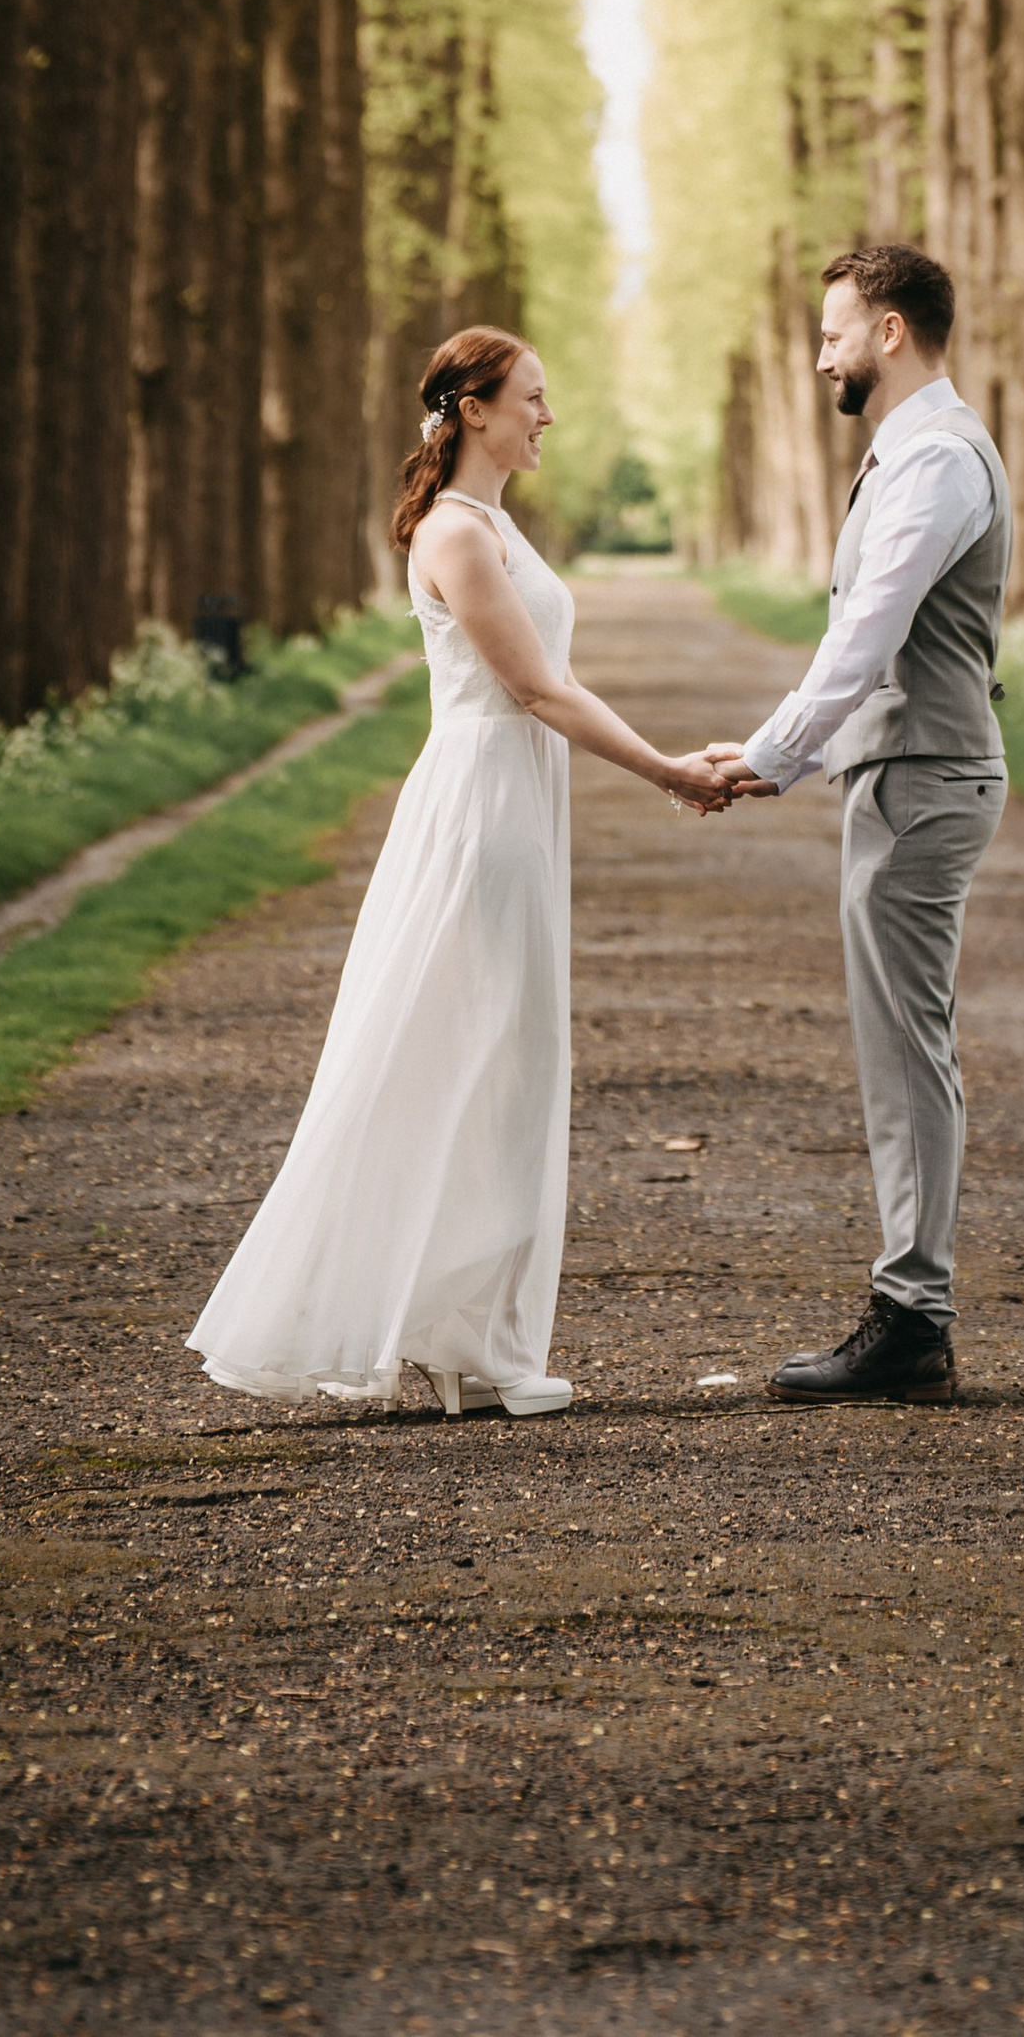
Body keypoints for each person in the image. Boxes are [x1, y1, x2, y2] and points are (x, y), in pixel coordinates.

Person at [189, 325, 731, 1420]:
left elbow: (559, 682)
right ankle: (460, 1337)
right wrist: (667, 769)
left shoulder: (492, 524)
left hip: (519, 796)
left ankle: (468, 1339)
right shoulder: (456, 535)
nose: (545, 415)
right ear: (472, 407)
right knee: (485, 1059)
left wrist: (669, 759)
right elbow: (537, 691)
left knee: (508, 1063)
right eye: (531, 396)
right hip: (485, 804)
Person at [707, 242, 1014, 1405]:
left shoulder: (934, 457)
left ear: (891, 331)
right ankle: (909, 1309)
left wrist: (771, 755)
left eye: (835, 328)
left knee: (906, 1050)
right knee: (899, 1046)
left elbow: (868, 632)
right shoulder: (918, 450)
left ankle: (912, 1317)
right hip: (908, 775)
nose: (820, 350)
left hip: (923, 780)